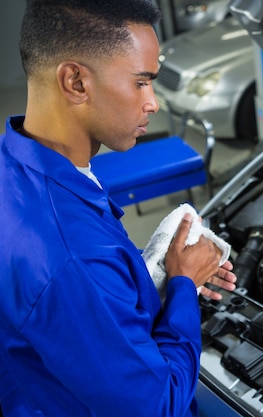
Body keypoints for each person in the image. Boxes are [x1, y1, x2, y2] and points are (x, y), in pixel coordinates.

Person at [0, 0, 237, 416]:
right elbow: (158, 407)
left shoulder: (14, 161)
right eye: (141, 82)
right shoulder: (74, 255)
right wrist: (182, 285)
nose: (154, 103)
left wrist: (147, 280)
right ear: (75, 81)